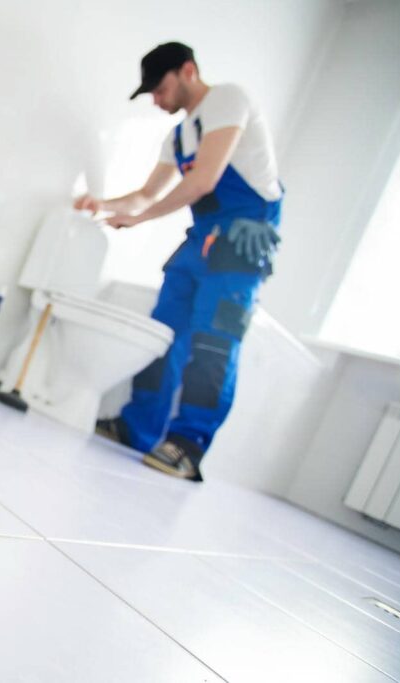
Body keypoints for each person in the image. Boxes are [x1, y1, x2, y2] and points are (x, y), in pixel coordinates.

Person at [77, 42, 283, 481]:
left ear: (187, 70)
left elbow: (203, 180)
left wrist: (139, 220)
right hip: (202, 240)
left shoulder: (227, 98)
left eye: (160, 88)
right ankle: (139, 427)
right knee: (163, 333)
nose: (156, 99)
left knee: (213, 342)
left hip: (241, 242)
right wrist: (102, 204)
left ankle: (188, 444)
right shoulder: (180, 135)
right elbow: (145, 195)